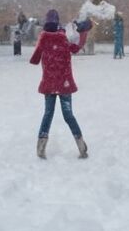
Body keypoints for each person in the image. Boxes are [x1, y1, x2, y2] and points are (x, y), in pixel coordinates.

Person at [30, 9, 92, 158]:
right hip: (64, 84)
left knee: (48, 114)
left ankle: (41, 148)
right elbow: (76, 48)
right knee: (69, 115)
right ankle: (81, 145)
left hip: (49, 84)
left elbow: (34, 60)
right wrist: (84, 32)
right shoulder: (64, 38)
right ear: (58, 22)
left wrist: (42, 47)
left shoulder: (43, 38)